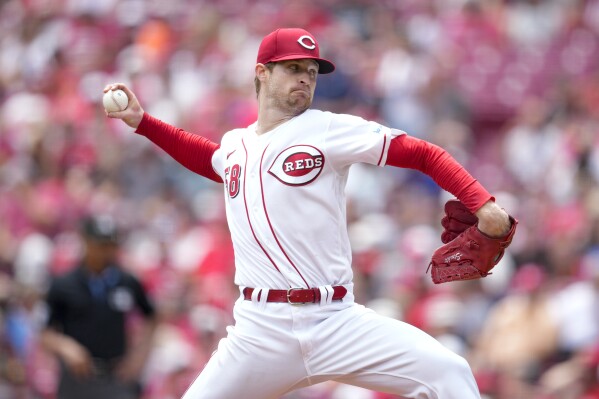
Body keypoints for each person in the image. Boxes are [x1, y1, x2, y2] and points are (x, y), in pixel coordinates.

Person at [105, 28, 513, 399]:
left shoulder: (328, 129)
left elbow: (422, 152)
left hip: (335, 320)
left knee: (450, 372)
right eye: (294, 68)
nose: (305, 77)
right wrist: (144, 123)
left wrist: (482, 202)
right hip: (259, 332)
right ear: (262, 73)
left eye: (312, 71)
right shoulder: (235, 145)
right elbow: (209, 157)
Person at [41, 214, 157, 399]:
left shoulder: (126, 282)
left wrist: (138, 357)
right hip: (77, 378)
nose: (107, 252)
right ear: (86, 243)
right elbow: (45, 334)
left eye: (111, 245)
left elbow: (151, 316)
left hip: (116, 376)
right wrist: (66, 346)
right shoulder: (64, 284)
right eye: (101, 245)